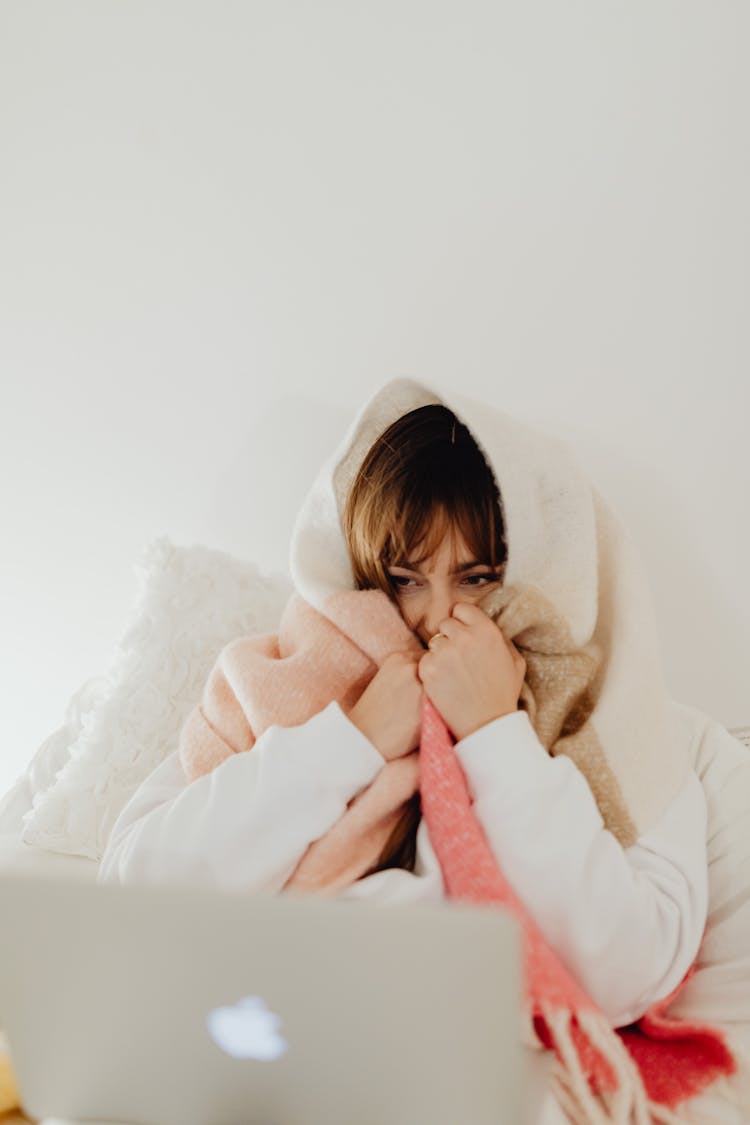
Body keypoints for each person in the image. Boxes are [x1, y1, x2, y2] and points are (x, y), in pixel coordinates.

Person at [98, 390, 708, 1038]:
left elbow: (629, 974)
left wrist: (498, 735)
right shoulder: (292, 673)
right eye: (404, 578)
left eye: (477, 577)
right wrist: (350, 740)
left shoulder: (614, 722)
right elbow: (133, 888)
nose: (437, 614)